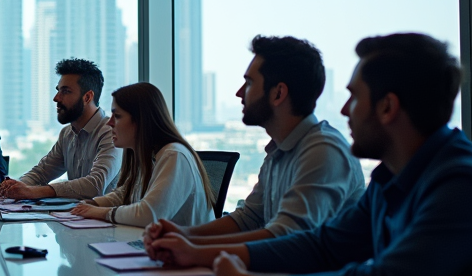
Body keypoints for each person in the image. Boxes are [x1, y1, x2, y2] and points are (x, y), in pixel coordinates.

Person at [150, 33, 472, 276]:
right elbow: (322, 245)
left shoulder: (458, 184)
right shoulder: (390, 179)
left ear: (387, 107)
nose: (345, 110)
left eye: (354, 97)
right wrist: (193, 251)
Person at [145, 36, 364, 249]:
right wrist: (181, 234)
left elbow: (285, 238)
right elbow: (248, 218)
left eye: (249, 83)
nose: (239, 93)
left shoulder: (323, 151)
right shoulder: (279, 150)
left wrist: (192, 249)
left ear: (278, 93)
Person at [70, 82, 214, 226]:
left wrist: (99, 212)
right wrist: (93, 203)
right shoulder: (148, 154)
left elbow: (150, 215)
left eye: (118, 116)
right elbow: (127, 193)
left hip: (183, 247)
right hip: (158, 243)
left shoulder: (173, 155)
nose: (110, 123)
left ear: (141, 120)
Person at [0, 58, 119, 200]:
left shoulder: (111, 132)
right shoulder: (67, 133)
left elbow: (95, 185)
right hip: (78, 217)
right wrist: (16, 186)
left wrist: (33, 192)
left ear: (87, 97)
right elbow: (41, 173)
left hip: (109, 220)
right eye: (58, 91)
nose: (56, 98)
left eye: (65, 91)